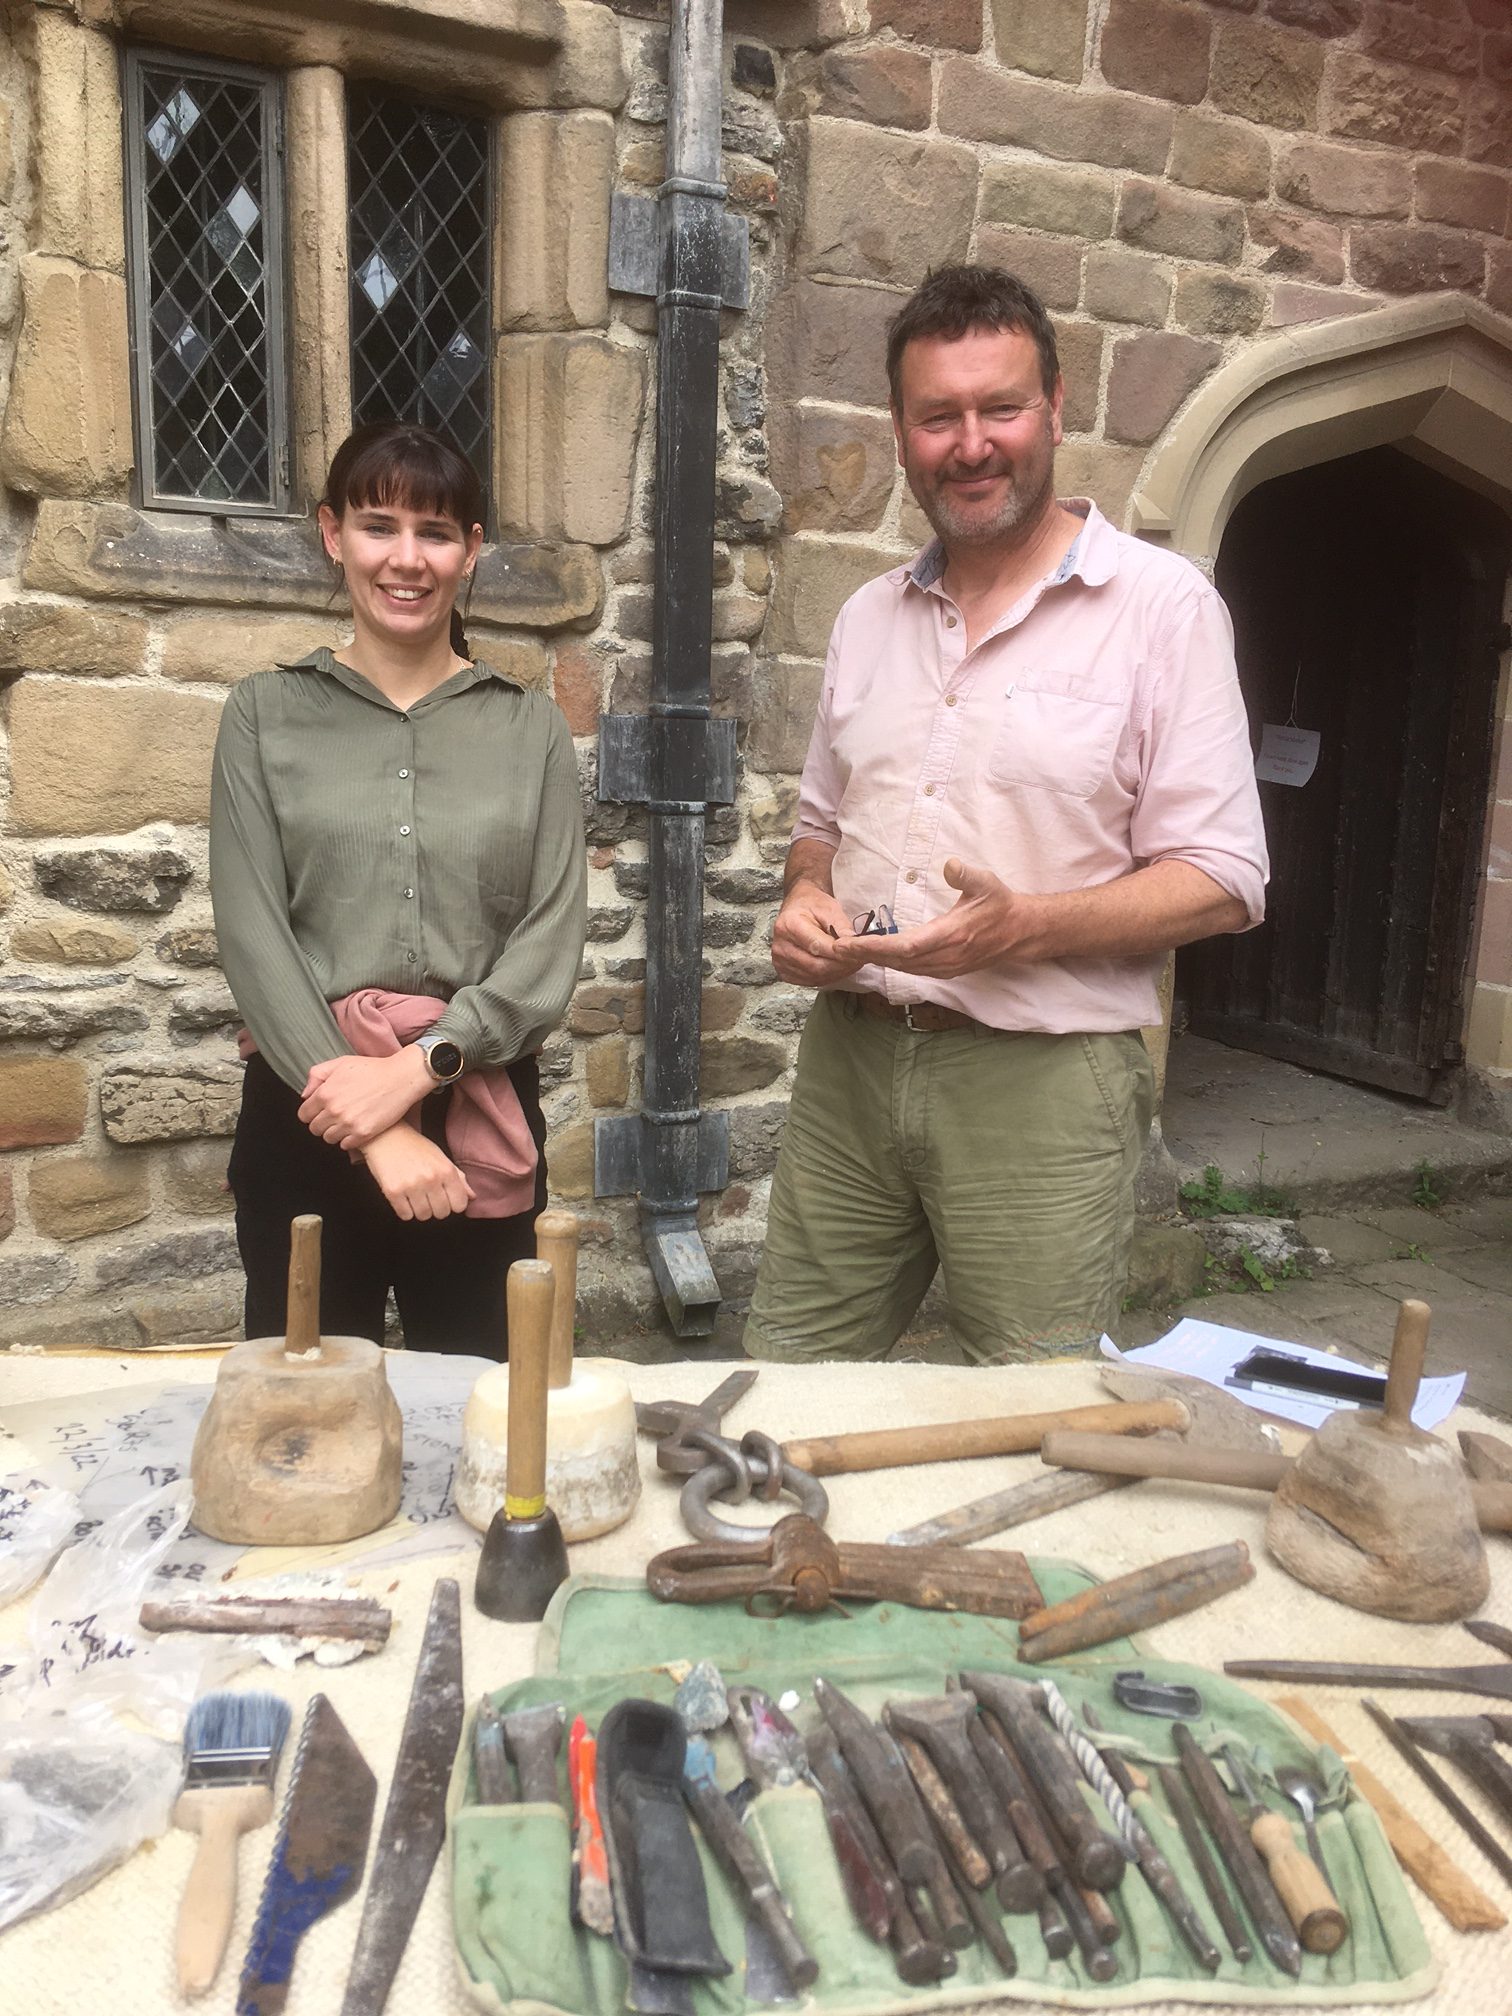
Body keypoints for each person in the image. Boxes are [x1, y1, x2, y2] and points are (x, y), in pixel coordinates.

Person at [744, 265, 1268, 1365]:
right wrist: (802, 895)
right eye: (939, 416)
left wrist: (1024, 926)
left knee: (1032, 1408)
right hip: (853, 1060)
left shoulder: (1163, 611)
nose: (971, 443)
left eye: (1001, 408)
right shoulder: (868, 617)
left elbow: (1223, 878)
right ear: (899, 432)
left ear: (1056, 408)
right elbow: (822, 823)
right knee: (788, 1374)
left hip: (1044, 1079)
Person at [210, 421, 586, 1354]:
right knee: (304, 1416)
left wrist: (423, 1071)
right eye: (380, 527)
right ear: (334, 534)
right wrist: (374, 1128)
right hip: (308, 1112)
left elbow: (549, 941)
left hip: (477, 1109)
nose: (406, 559)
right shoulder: (264, 714)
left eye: (437, 532)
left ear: (472, 552)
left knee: (486, 1412)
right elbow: (254, 934)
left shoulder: (529, 728)